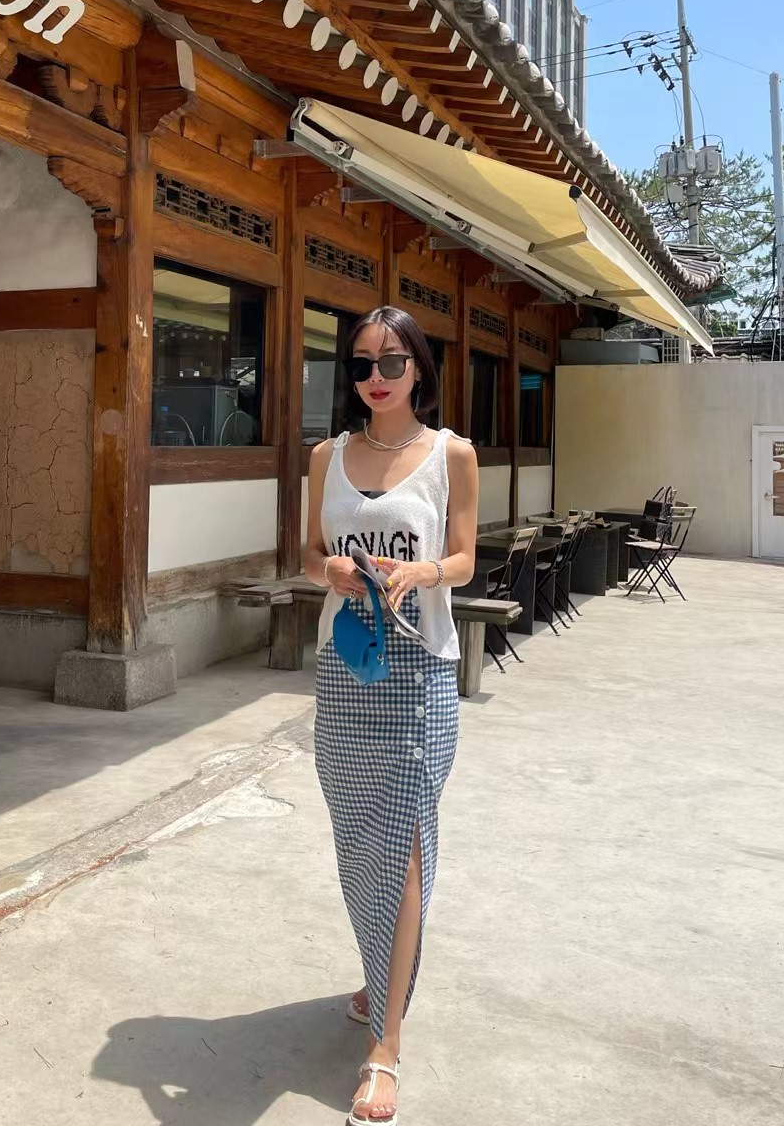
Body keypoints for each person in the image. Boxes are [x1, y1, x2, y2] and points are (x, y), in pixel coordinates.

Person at [304, 305, 479, 1124]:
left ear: (419, 368)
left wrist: (421, 573)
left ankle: (385, 1045)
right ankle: (381, 978)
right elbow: (307, 553)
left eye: (391, 362)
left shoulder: (451, 455)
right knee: (356, 841)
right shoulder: (325, 458)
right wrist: (332, 571)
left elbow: (465, 557)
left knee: (405, 843)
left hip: (418, 672)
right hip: (344, 668)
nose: (375, 378)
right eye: (361, 365)